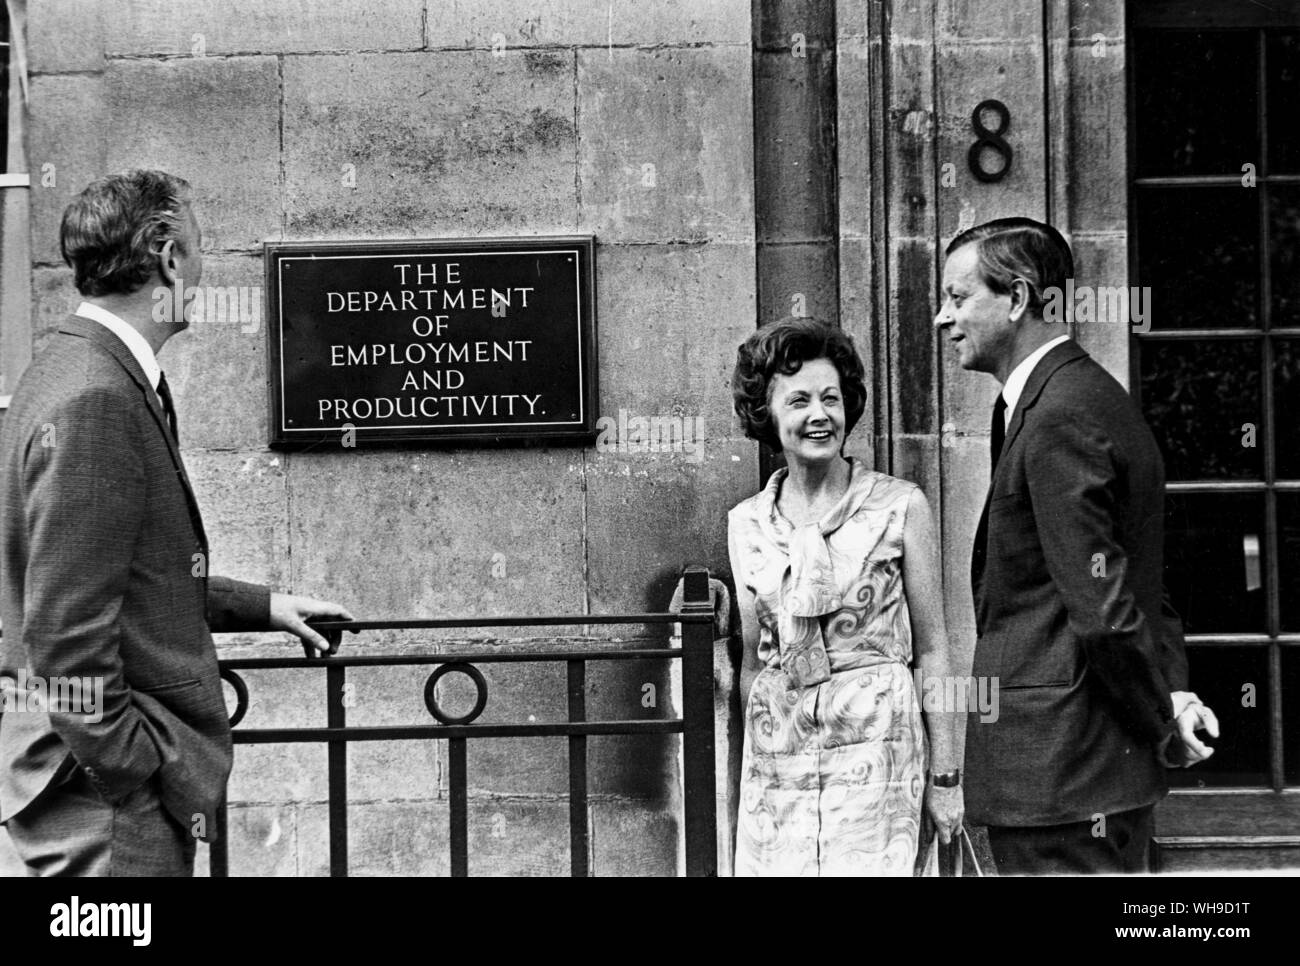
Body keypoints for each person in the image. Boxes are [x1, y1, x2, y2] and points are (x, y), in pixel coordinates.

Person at [0, 170, 354, 876]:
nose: (202, 266)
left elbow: (110, 571)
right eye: (198, 248)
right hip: (105, 805)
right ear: (166, 257)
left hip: (89, 788)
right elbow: (66, 633)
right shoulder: (95, 398)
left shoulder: (73, 368)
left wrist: (261, 606)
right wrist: (135, 773)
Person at [935, 217, 1220, 875]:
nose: (943, 319)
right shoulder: (1077, 397)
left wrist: (1158, 719)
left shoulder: (1060, 413)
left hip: (1061, 785)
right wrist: (1170, 698)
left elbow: (1106, 612)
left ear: (1017, 298)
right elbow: (1144, 585)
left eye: (958, 297)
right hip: (1078, 781)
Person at [728, 318, 963, 875]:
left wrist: (946, 778)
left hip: (880, 759)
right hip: (778, 766)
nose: (819, 415)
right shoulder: (746, 524)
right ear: (768, 412)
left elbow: (933, 650)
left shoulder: (901, 507)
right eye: (800, 400)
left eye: (830, 399)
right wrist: (748, 777)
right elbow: (752, 663)